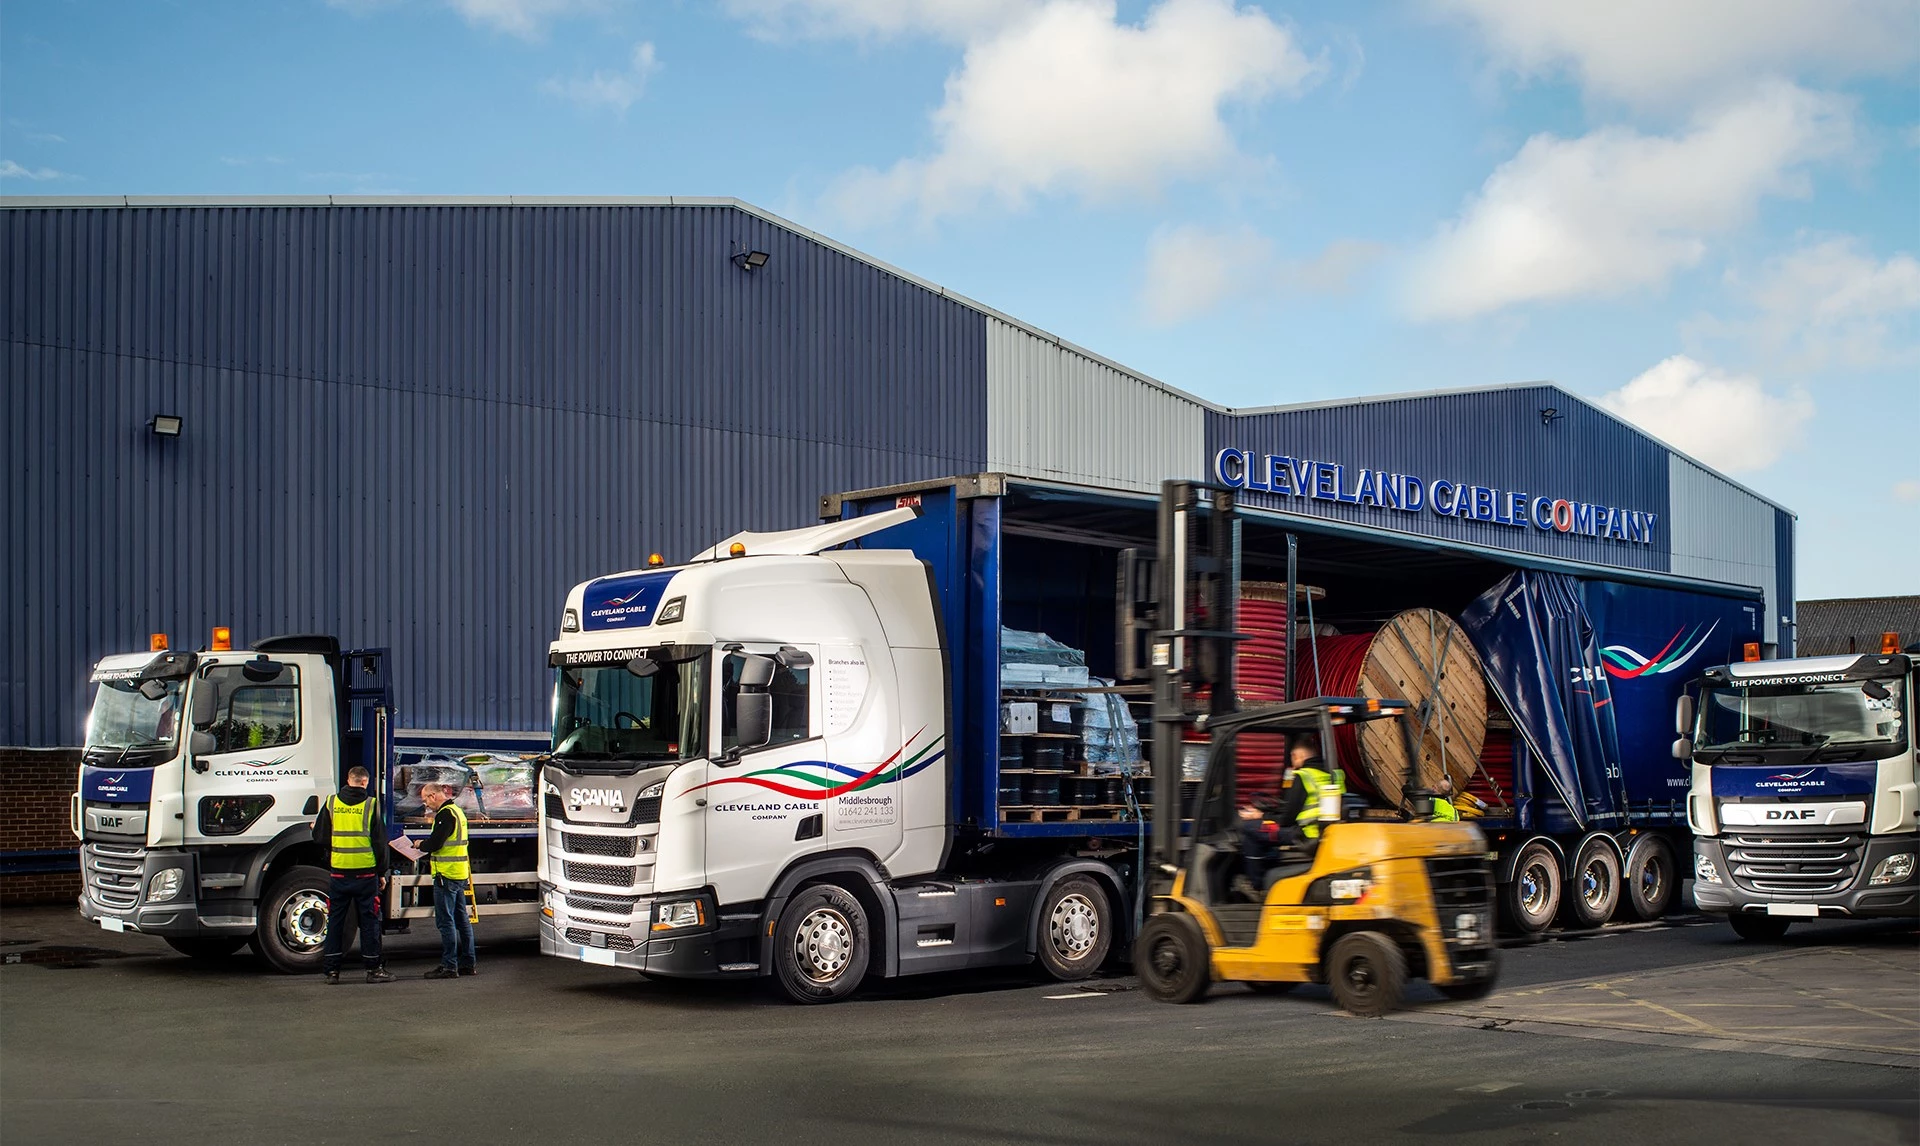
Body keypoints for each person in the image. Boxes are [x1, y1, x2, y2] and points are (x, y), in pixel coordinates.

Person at [313, 765, 393, 983]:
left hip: (339, 873)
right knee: (369, 922)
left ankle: (331, 971)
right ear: (365, 782)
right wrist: (382, 872)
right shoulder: (372, 805)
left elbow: (319, 837)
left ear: (348, 780)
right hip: (366, 875)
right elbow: (380, 843)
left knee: (336, 921)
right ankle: (373, 969)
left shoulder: (332, 803)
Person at [417, 782, 477, 979]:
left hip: (446, 875)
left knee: (446, 921)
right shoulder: (457, 812)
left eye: (426, 799)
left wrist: (420, 844)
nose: (426, 804)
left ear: (433, 796)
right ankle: (468, 963)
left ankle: (449, 965)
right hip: (458, 873)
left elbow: (435, 843)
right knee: (462, 920)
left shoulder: (445, 814)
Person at [1273, 731, 1345, 846]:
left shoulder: (1302, 776)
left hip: (1307, 834)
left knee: (1251, 828)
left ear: (1297, 756)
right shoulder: (1336, 774)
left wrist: (1266, 817)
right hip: (1332, 833)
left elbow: (1288, 815)